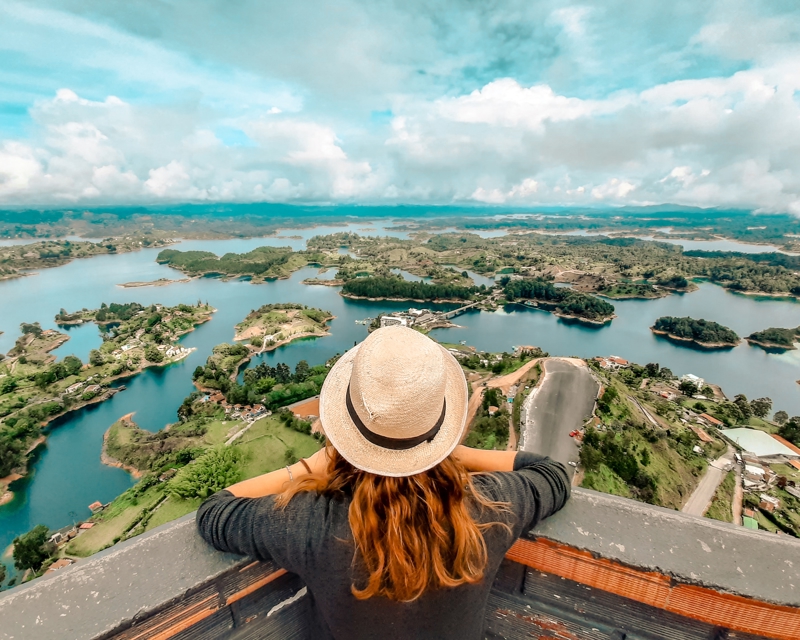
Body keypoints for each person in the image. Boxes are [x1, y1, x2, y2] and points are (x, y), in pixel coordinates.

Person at [197, 326, 570, 639]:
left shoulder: (312, 524)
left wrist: (310, 467)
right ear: (438, 426)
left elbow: (215, 514)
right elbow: (552, 475)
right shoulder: (489, 508)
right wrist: (454, 454)